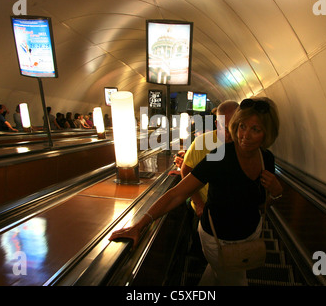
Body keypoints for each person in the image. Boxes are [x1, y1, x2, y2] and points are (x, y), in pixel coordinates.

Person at [109, 97, 283, 286]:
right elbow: (177, 194)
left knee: (217, 275)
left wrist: (277, 192)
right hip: (218, 239)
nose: (245, 135)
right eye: (242, 126)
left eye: (255, 129)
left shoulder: (266, 159)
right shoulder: (219, 158)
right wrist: (139, 225)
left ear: (267, 133)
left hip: (249, 235)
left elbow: (262, 202)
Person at [176, 100, 239, 217]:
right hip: (205, 210)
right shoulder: (202, 142)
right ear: (216, 124)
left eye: (233, 127)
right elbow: (185, 170)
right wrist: (199, 203)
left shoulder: (245, 144)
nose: (229, 134)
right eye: (225, 128)